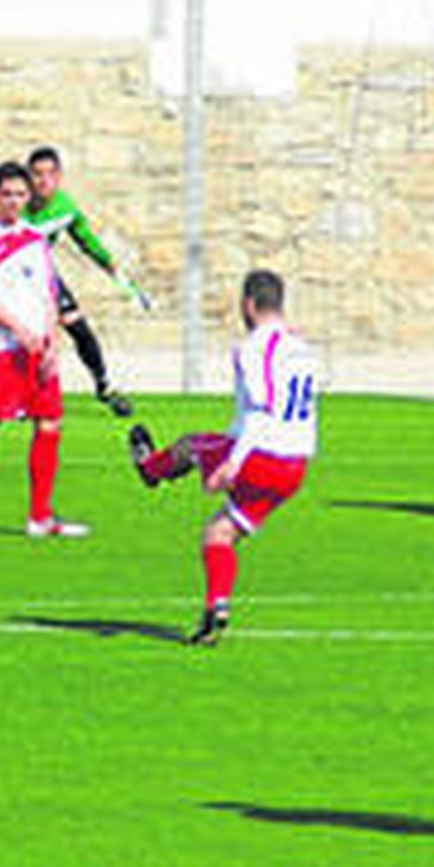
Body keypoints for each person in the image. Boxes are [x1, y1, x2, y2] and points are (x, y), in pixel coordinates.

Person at [128, 270, 318, 645]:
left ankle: (151, 470)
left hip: (262, 454)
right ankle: (217, 606)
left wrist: (235, 462)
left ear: (248, 304)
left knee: (193, 444)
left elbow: (262, 410)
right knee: (219, 533)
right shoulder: (304, 349)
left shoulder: (253, 348)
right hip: (296, 466)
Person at [0, 146, 148, 418]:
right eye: (36, 174)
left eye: (50, 174)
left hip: (38, 275)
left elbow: (87, 242)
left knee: (76, 324)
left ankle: (104, 384)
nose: (43, 181)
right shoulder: (6, 201)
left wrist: (112, 268)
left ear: (59, 177)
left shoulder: (66, 208)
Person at [0, 162, 89, 544]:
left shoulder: (34, 238)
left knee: (49, 424)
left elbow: (48, 294)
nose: (14, 202)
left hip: (36, 348)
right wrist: (18, 330)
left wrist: (50, 343)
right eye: (7, 194)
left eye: (21, 195)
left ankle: (41, 516)